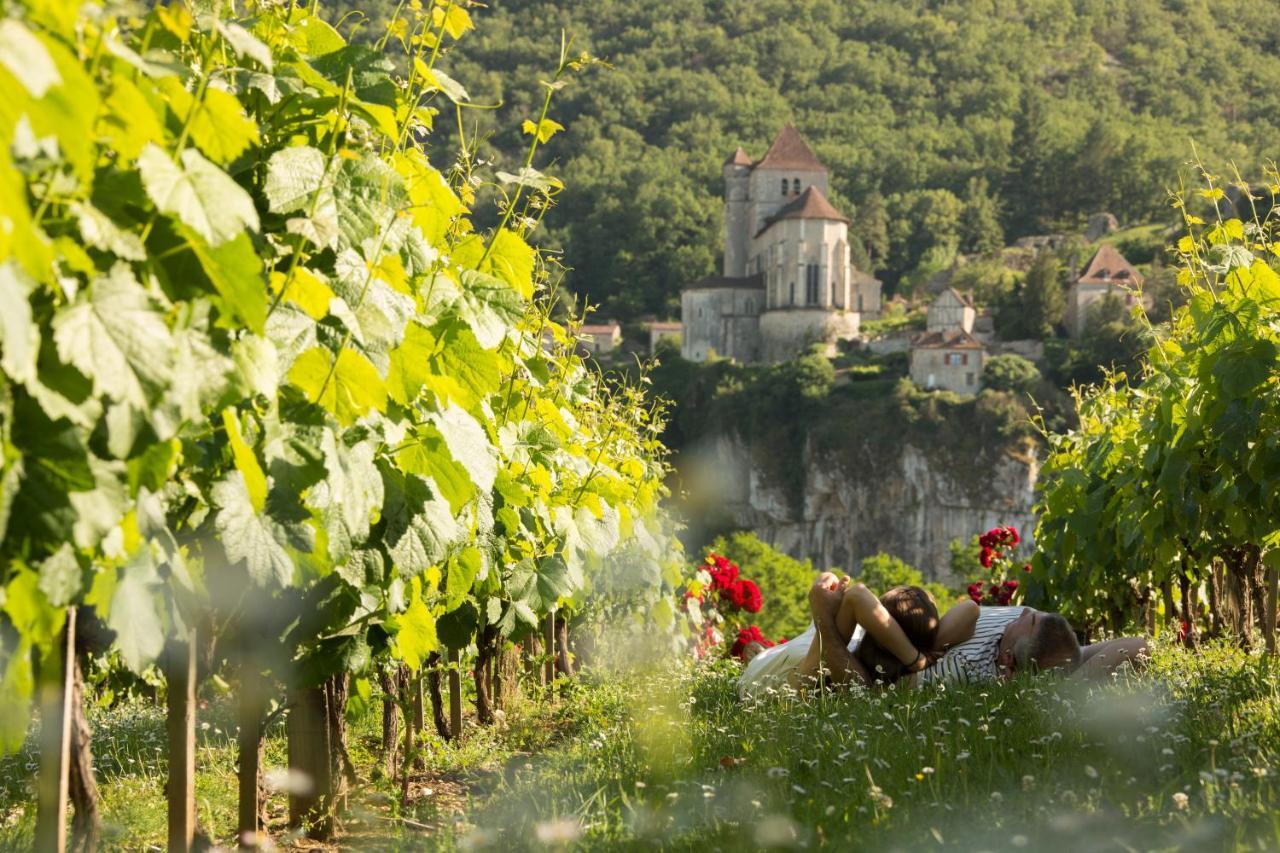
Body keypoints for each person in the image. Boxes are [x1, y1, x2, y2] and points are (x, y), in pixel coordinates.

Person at [738, 572, 979, 697]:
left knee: (829, 597)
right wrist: (919, 654)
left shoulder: (846, 672)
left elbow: (857, 595)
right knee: (828, 587)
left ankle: (757, 651)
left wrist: (914, 659)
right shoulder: (919, 660)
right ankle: (758, 650)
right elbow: (970, 609)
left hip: (768, 677)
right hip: (782, 657)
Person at [912, 605, 1149, 685]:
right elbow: (1137, 645)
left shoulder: (968, 664)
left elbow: (902, 682)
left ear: (1008, 658)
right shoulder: (1046, 650)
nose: (1026, 610)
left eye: (1030, 619)